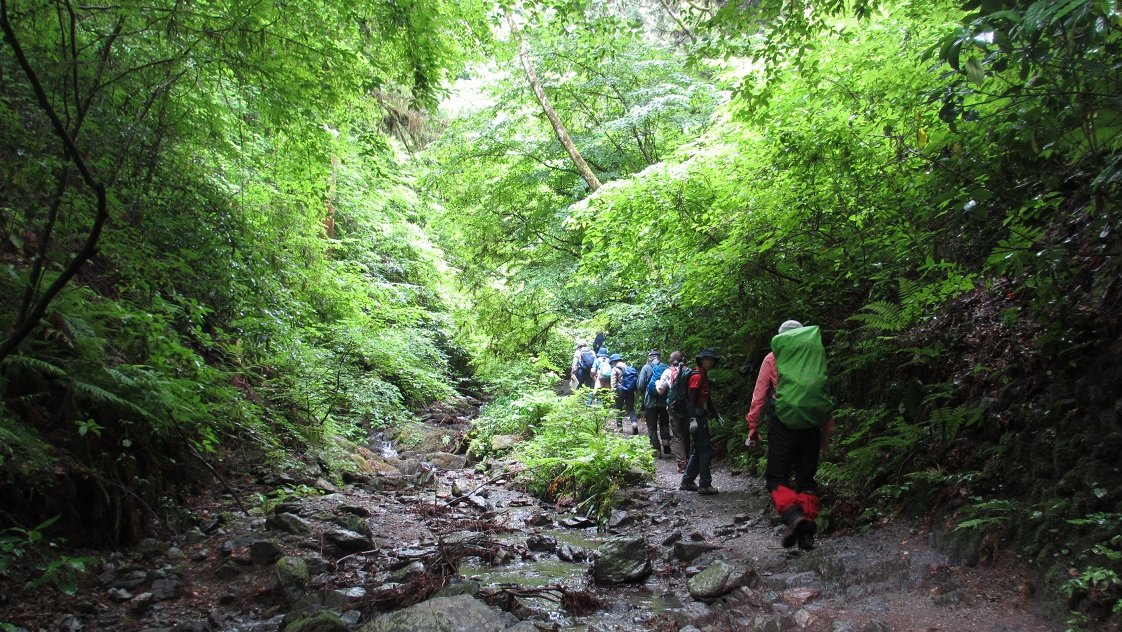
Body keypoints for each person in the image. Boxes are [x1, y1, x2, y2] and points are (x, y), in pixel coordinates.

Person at [746, 320, 835, 550]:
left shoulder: (773, 358)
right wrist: (827, 426)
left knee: (776, 478)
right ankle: (806, 536)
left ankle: (794, 517)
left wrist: (753, 425)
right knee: (806, 480)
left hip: (783, 422)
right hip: (812, 423)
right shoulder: (814, 356)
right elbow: (822, 390)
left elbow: (760, 394)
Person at [679, 348, 720, 495]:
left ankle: (688, 481)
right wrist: (693, 420)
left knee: (699, 449)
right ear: (701, 361)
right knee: (705, 449)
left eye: (711, 360)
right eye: (707, 359)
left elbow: (707, 399)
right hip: (696, 417)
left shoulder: (703, 376)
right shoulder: (697, 377)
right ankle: (705, 484)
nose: (709, 362)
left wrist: (715, 414)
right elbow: (691, 400)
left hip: (700, 416)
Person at [659, 351, 690, 472]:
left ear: (671, 362)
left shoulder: (668, 372)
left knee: (678, 435)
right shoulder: (689, 371)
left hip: (674, 406)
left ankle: (682, 464)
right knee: (687, 432)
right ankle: (690, 460)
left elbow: (661, 390)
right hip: (688, 406)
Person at [637, 350, 671, 458]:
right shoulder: (666, 368)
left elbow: (641, 385)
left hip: (650, 402)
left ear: (649, 357)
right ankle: (666, 445)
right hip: (664, 401)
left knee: (651, 426)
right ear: (659, 357)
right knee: (664, 423)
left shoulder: (646, 368)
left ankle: (656, 450)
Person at [609, 354, 639, 433]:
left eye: (612, 362)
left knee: (618, 408)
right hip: (630, 390)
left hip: (620, 390)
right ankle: (634, 423)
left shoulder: (615, 369)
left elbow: (613, 383)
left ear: (614, 362)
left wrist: (612, 394)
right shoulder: (629, 368)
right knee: (631, 409)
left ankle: (620, 427)